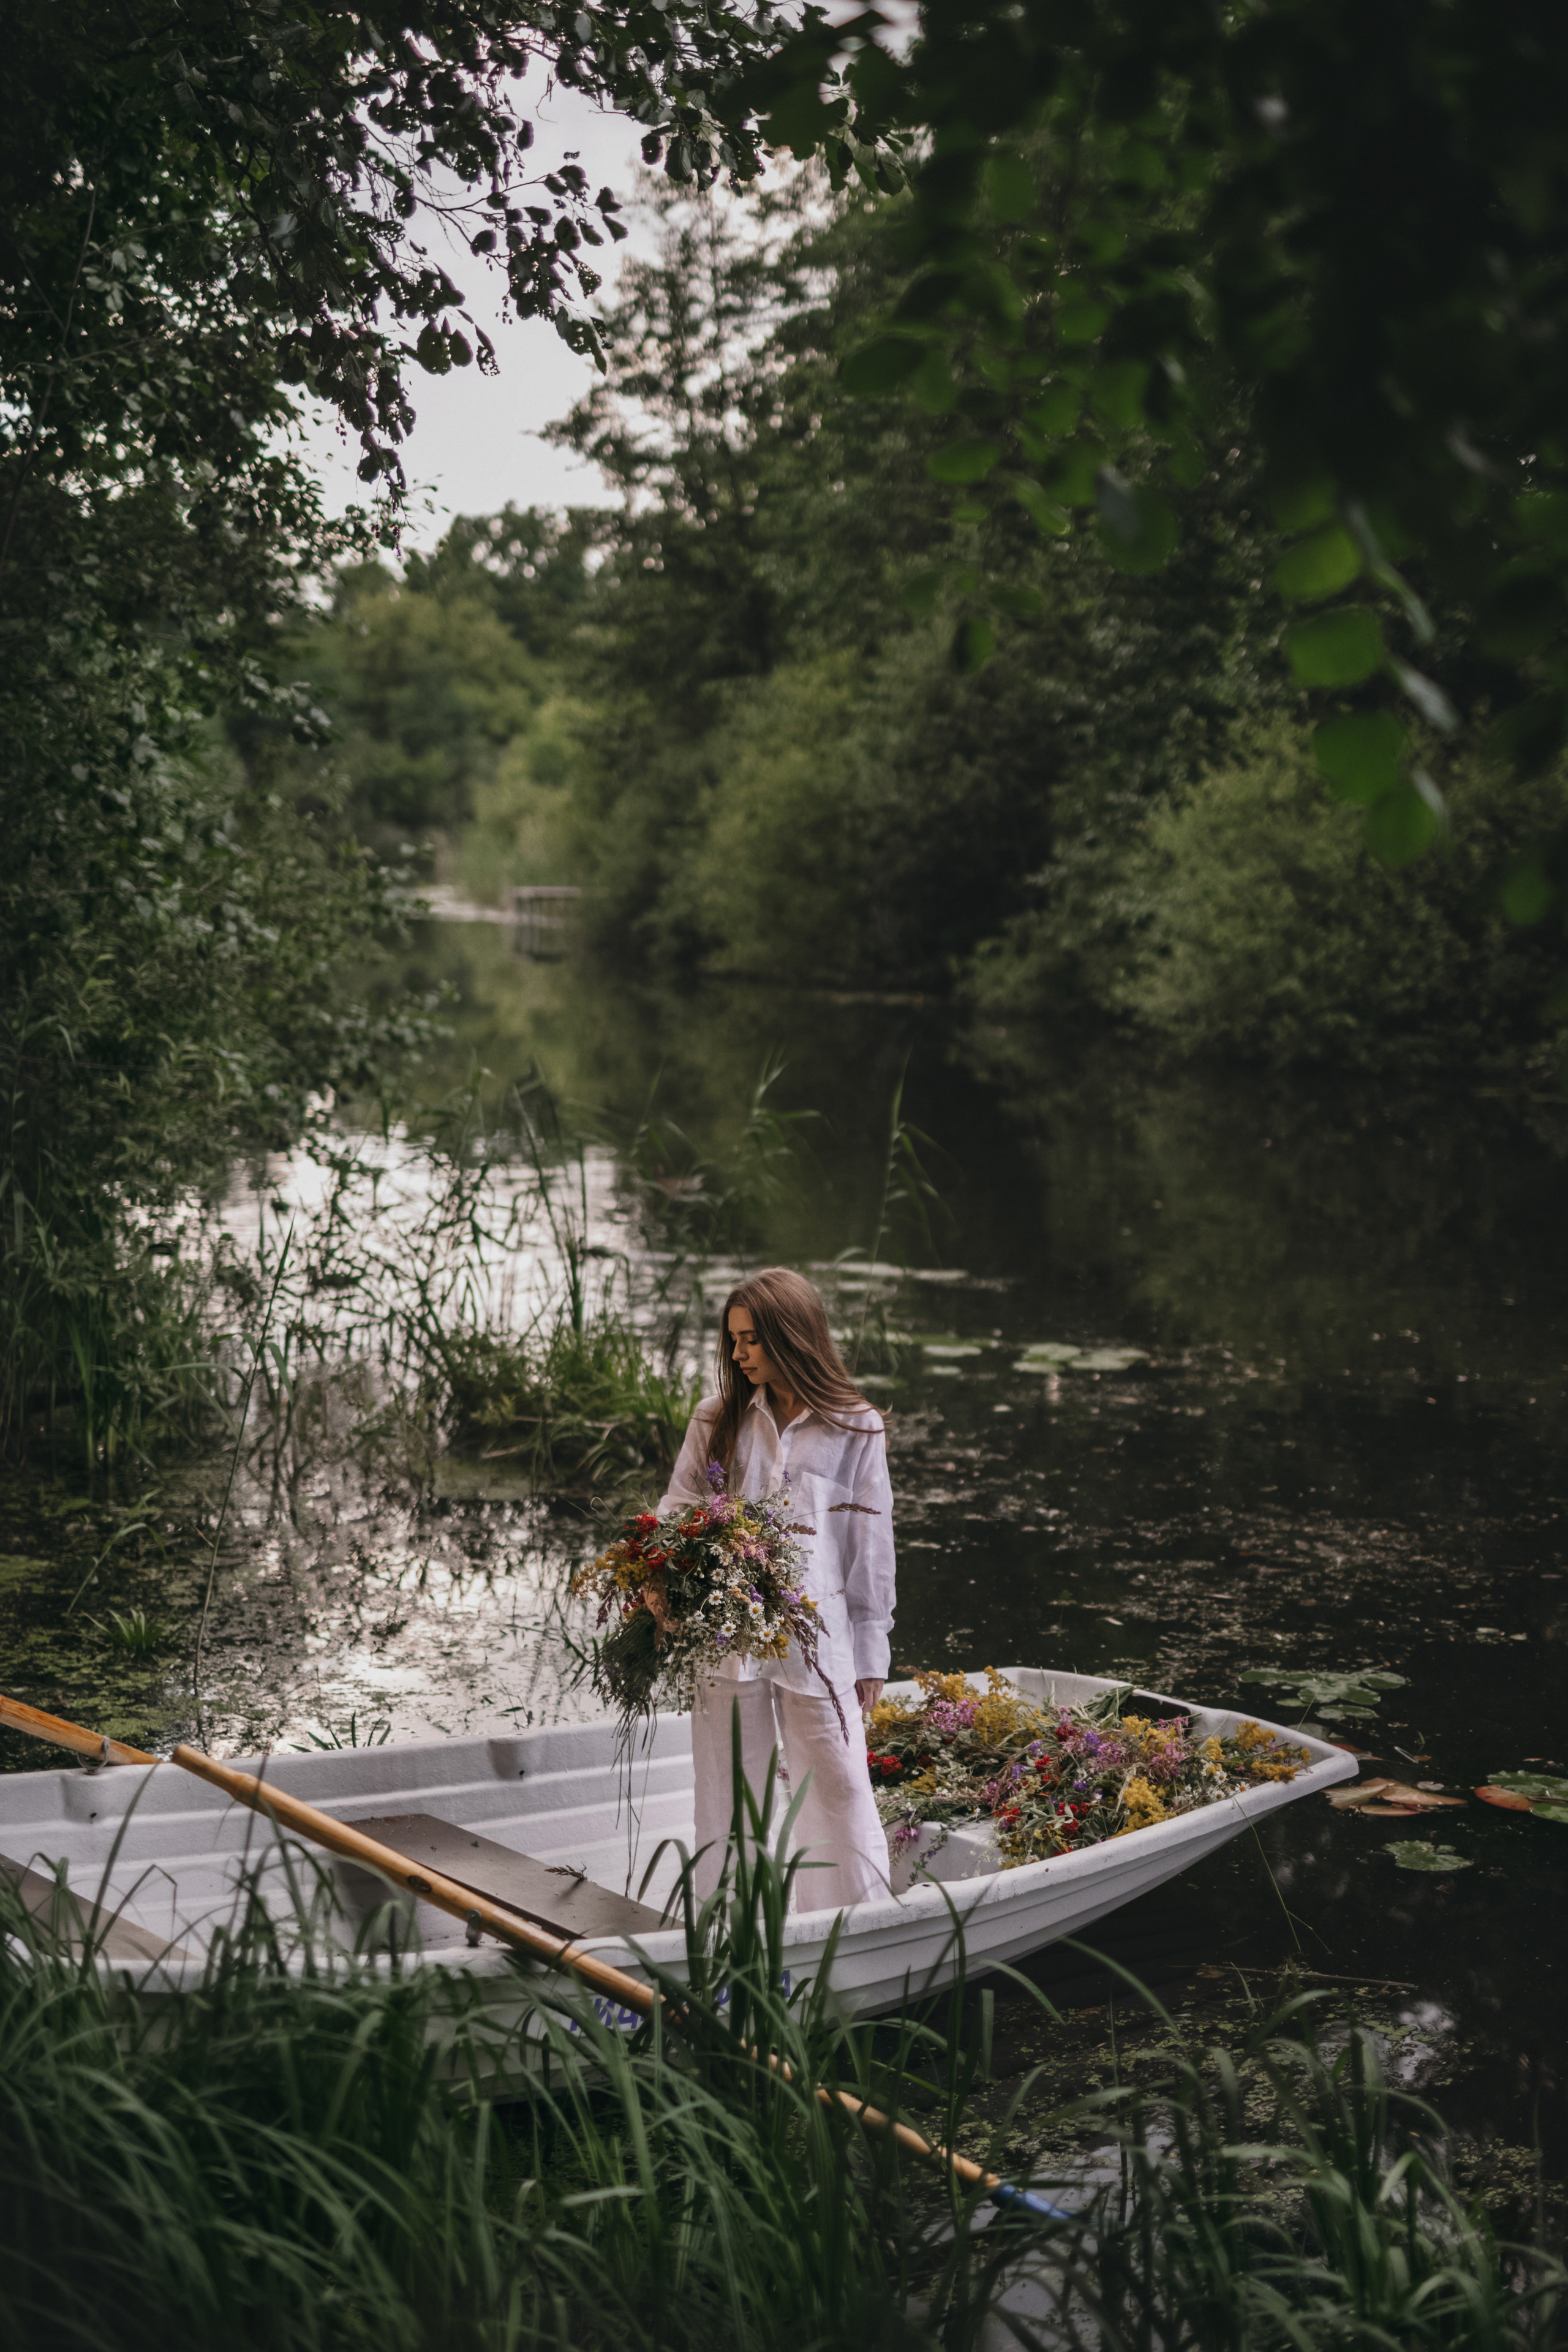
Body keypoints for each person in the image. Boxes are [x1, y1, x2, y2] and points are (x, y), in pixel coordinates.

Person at [656, 1265, 896, 1910]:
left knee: (838, 1785)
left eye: (749, 1340)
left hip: (816, 1644)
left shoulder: (855, 1427)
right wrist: (663, 1581)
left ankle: (852, 1923)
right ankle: (738, 1929)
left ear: (791, 1337)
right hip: (725, 1638)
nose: (736, 1353)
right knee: (730, 1789)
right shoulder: (719, 1419)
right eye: (731, 1339)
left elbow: (869, 1553)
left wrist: (871, 1655)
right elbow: (678, 1510)